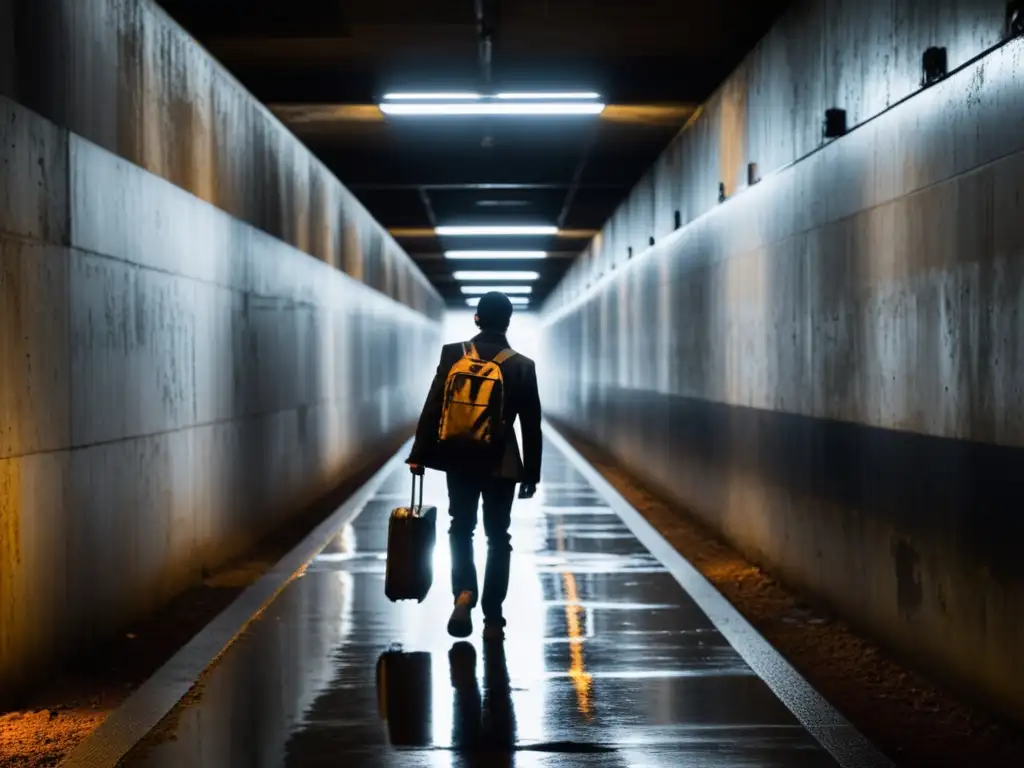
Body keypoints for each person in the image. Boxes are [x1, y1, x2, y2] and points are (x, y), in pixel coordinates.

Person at [407, 291, 542, 642]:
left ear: (476, 319)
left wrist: (419, 453)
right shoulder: (522, 366)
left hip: (460, 458)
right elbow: (531, 426)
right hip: (502, 463)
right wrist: (531, 474)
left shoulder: (454, 355)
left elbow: (434, 405)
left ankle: (463, 593)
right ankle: (494, 617)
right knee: (498, 537)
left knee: (461, 528)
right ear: (508, 322)